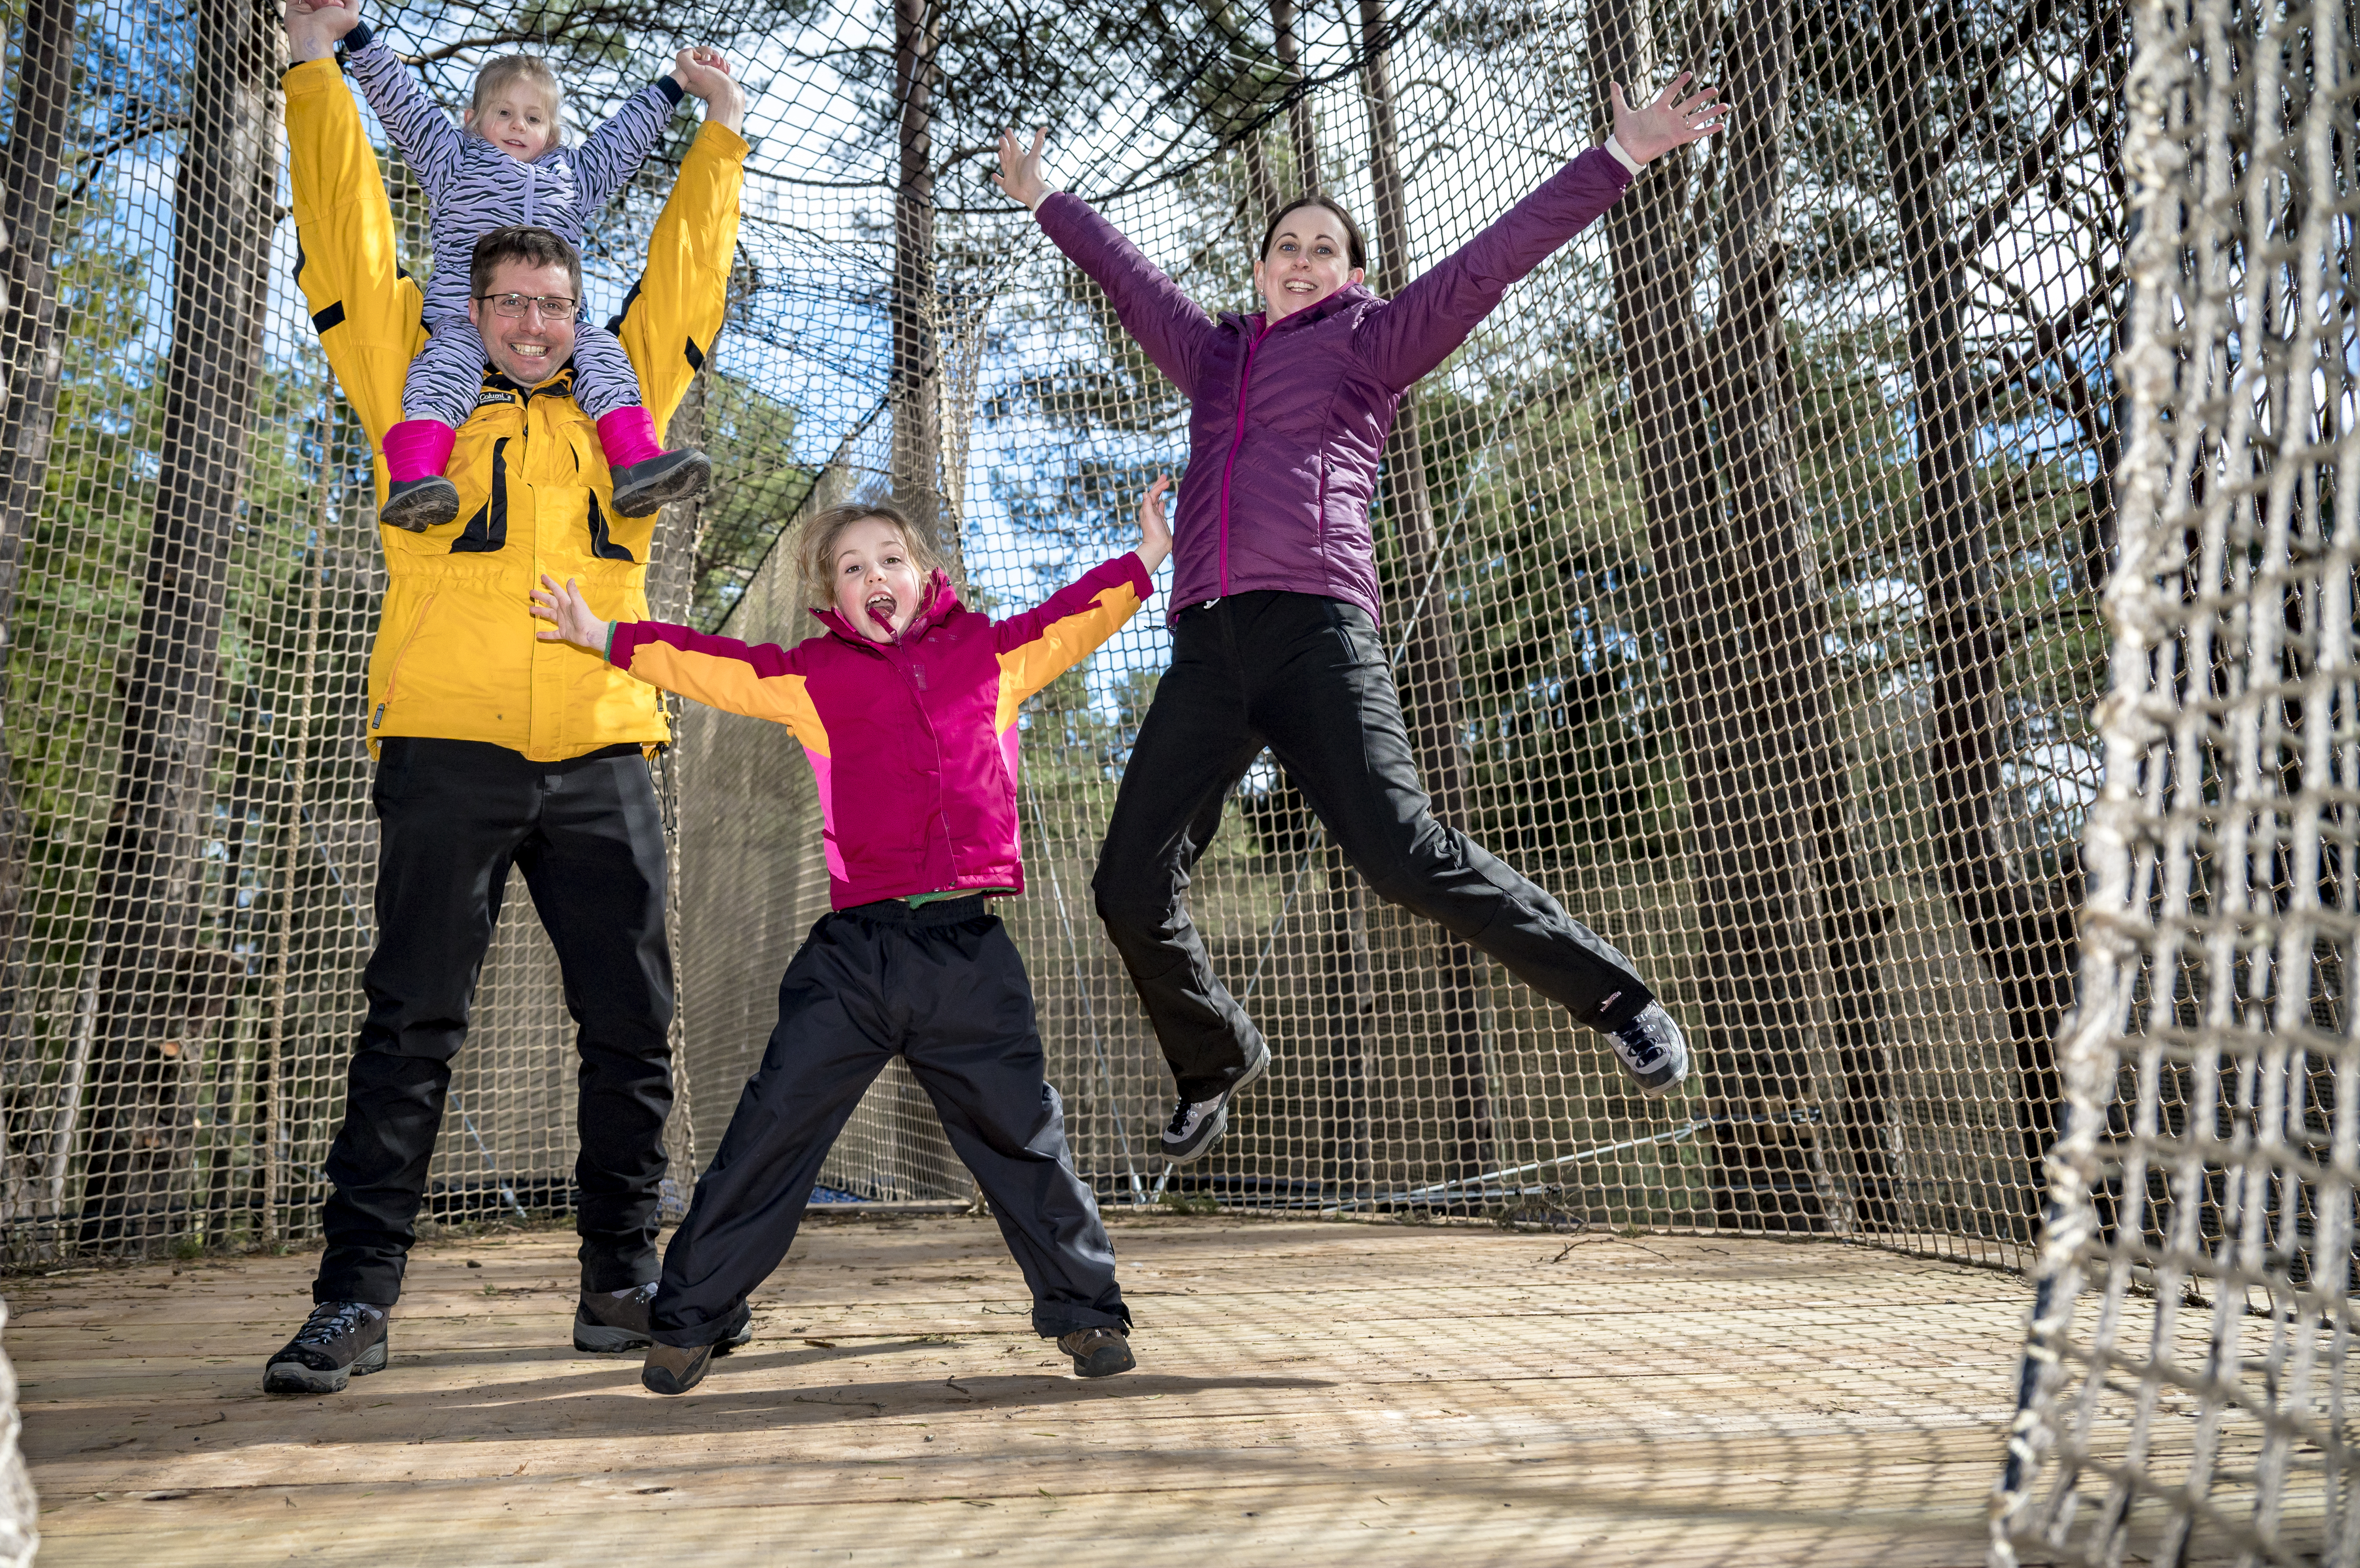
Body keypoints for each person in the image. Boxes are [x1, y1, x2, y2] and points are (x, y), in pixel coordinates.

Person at [991, 74, 1726, 1164]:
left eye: (1323, 248)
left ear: (1353, 275)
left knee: (1399, 853)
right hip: (1207, 646)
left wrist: (1618, 157)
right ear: (1257, 269)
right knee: (1126, 883)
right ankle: (1216, 1055)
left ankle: (1618, 1003)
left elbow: (1490, 263)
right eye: (1286, 244)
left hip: (1316, 632)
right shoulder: (1212, 358)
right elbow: (1127, 277)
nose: (1301, 258)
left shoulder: (1368, 347)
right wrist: (1042, 196)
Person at [258, 0, 746, 1396]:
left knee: (631, 1022)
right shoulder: (414, 377)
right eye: (510, 303)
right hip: (447, 744)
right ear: (470, 306)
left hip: (605, 749)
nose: (533, 322)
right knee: (412, 1021)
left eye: (555, 303)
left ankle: (622, 1280)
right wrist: (315, 72)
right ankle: (352, 1301)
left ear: (580, 313)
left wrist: (715, 139)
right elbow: (348, 235)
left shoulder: (625, 397)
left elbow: (690, 273)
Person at [528, 481, 1176, 1394]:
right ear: (831, 598)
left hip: (969, 956)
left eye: (890, 559)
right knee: (771, 1129)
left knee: (1025, 1137)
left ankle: (1088, 1313)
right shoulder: (811, 677)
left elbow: (1075, 616)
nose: (875, 574)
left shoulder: (992, 657)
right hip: (855, 959)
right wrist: (606, 637)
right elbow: (709, 662)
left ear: (925, 576)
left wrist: (1146, 555)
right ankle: (685, 1323)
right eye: (851, 566)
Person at [321, 0, 712, 530]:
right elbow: (402, 103)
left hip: (552, 319)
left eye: (532, 118)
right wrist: (356, 36)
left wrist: (677, 83)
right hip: (467, 311)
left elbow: (625, 138)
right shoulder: (452, 160)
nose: (516, 126)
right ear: (473, 118)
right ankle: (414, 478)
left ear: (551, 133)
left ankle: (635, 463)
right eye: (502, 112)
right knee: (444, 367)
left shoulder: (576, 178)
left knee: (601, 352)